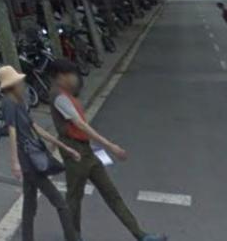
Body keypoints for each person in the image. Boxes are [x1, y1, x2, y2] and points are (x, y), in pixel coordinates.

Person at [49, 60, 167, 241]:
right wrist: (110, 146)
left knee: (111, 194)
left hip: (86, 149)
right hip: (74, 152)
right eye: (71, 74)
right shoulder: (59, 97)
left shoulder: (68, 94)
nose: (75, 78)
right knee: (74, 199)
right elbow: (80, 124)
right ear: (61, 76)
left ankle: (140, 235)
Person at [0, 64, 82, 241]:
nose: (23, 85)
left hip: (30, 157)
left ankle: (27, 238)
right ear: (12, 85)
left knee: (30, 204)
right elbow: (12, 131)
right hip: (29, 160)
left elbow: (35, 128)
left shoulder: (18, 102)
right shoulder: (9, 103)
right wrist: (15, 162)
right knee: (60, 203)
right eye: (20, 82)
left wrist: (63, 146)